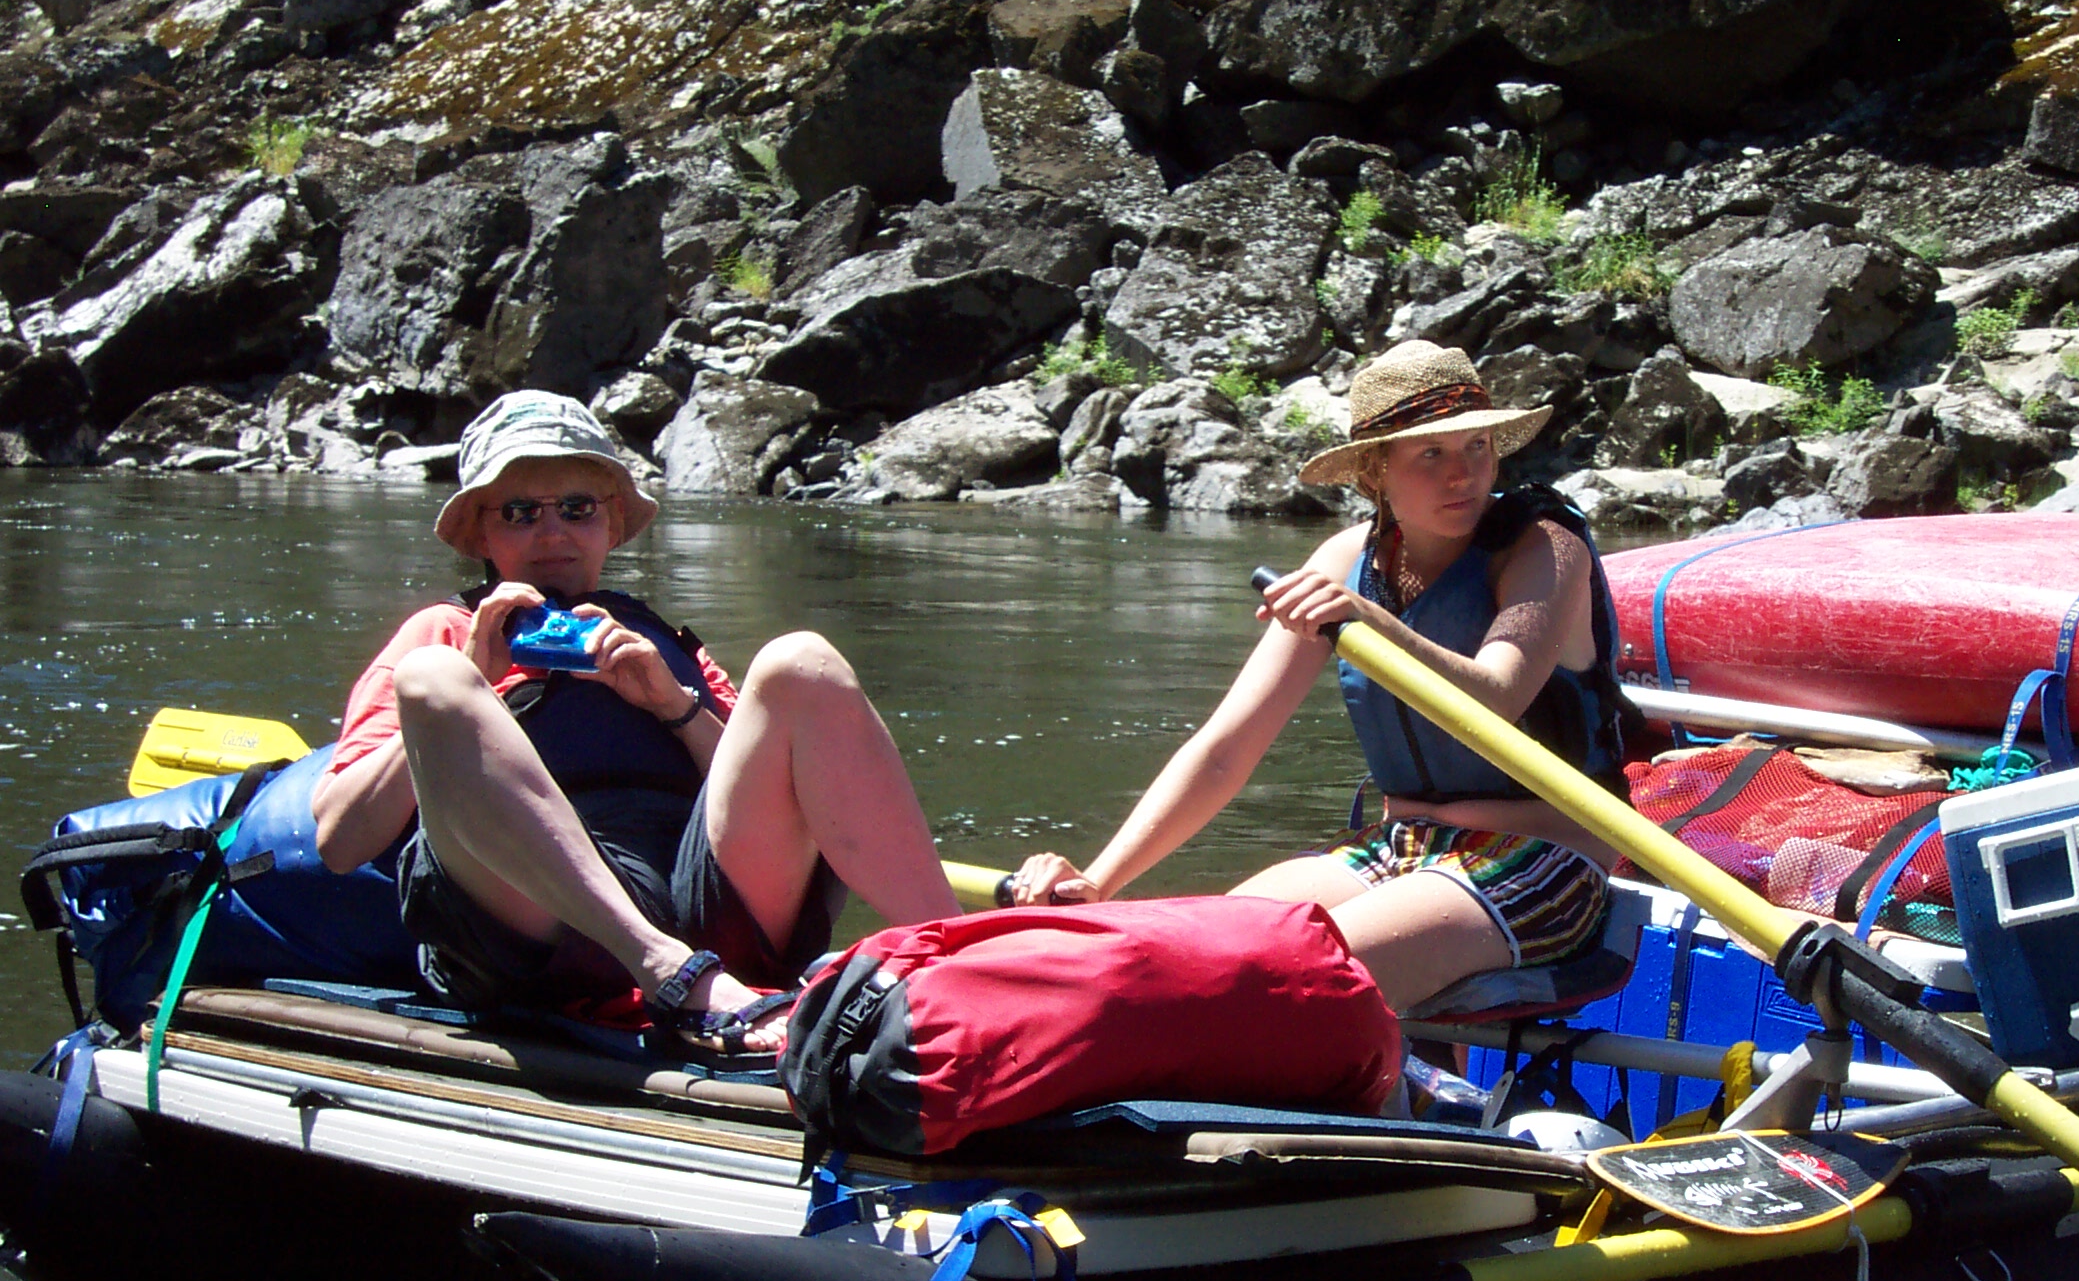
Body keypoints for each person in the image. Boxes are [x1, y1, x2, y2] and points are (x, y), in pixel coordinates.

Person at [312, 390, 958, 1054]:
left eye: (576, 507)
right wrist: (473, 678)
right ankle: (665, 971)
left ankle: (961, 960)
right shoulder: (441, 633)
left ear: (611, 524)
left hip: (692, 901)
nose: (553, 531)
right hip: (533, 926)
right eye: (520, 512)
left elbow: (783, 792)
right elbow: (340, 839)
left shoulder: (658, 642)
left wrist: (673, 705)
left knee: (803, 663)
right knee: (431, 678)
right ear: (482, 533)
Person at [1009, 341, 1628, 1013]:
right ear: (1373, 472)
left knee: (1279, 986)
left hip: (1547, 857)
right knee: (1187, 962)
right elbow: (1225, 750)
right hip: (1397, 848)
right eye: (1432, 454)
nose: (1464, 474)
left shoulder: (1543, 547)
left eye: (1477, 446)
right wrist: (1099, 881)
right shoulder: (1343, 560)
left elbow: (1499, 697)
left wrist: (1370, 621)